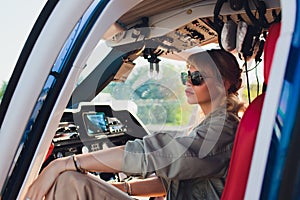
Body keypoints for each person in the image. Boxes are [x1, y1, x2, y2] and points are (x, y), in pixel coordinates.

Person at [25, 49, 244, 200]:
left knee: (69, 181)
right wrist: (123, 187)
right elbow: (172, 180)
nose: (188, 81)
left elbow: (154, 155)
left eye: (197, 76)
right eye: (186, 74)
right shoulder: (216, 125)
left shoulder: (220, 131)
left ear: (222, 84)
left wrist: (66, 163)